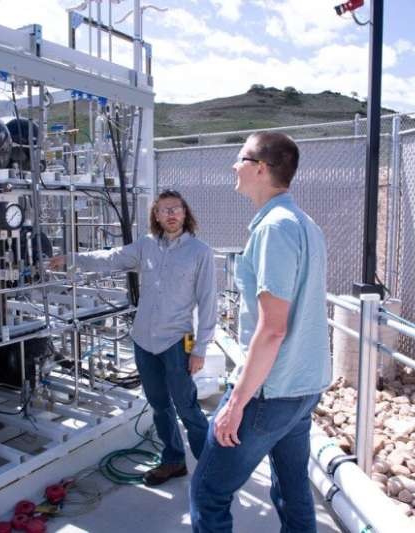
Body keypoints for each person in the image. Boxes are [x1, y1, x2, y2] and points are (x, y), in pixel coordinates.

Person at [190, 132, 331, 533]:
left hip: (270, 392)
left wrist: (236, 404)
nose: (234, 166)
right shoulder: (306, 224)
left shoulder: (274, 228)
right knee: (292, 490)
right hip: (304, 388)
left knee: (208, 492)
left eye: (240, 158)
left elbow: (272, 329)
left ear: (261, 168)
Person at [48, 190, 216, 486]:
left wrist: (200, 349)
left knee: (187, 406)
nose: (171, 214)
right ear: (156, 215)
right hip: (143, 341)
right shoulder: (146, 246)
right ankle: (173, 460)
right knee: (159, 405)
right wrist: (72, 259)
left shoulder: (200, 252)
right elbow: (111, 258)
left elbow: (208, 302)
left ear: (185, 213)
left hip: (177, 340)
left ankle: (212, 473)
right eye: (164, 210)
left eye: (176, 209)